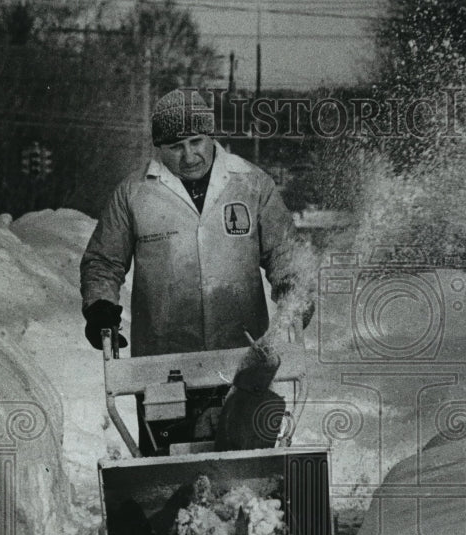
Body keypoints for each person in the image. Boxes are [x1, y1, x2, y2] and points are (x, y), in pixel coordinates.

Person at [80, 88, 313, 455]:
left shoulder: (252, 184)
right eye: (175, 146)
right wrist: (100, 307)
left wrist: (293, 293)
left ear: (212, 136)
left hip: (243, 358)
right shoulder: (134, 194)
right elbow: (103, 262)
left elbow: (286, 251)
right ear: (158, 147)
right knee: (169, 461)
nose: (189, 155)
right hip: (164, 360)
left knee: (246, 460)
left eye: (196, 141)